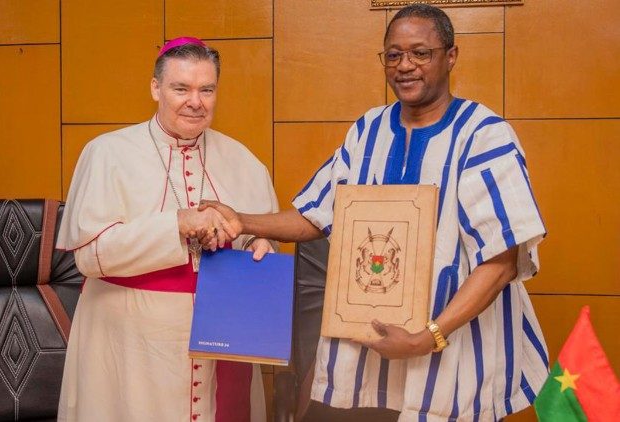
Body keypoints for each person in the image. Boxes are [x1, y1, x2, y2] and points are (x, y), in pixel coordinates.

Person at [200, 5, 549, 421]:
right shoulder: (368, 129)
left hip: (452, 355)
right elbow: (316, 215)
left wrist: (429, 336)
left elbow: (502, 261)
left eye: (421, 53)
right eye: (394, 54)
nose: (405, 66)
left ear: (450, 56)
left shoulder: (484, 135)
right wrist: (242, 220)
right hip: (367, 356)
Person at [56, 37, 278, 421]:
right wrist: (177, 223)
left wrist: (260, 243)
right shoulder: (106, 153)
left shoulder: (245, 161)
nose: (196, 101)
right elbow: (90, 256)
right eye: (181, 88)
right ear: (156, 88)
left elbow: (263, 235)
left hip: (224, 338)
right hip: (131, 351)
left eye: (206, 89)